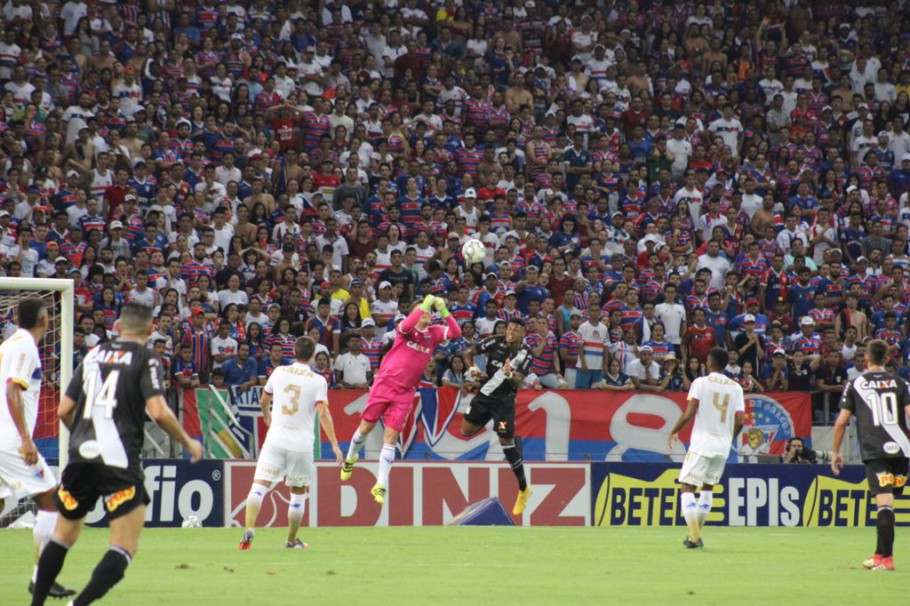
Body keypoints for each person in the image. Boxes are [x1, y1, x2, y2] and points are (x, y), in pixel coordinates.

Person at [30, 303, 204, 606]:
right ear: (150, 330)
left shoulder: (94, 355)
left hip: (80, 458)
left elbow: (63, 410)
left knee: (62, 536)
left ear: (118, 328)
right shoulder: (147, 358)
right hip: (118, 461)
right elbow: (159, 412)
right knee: (124, 545)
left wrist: (83, 438)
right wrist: (189, 442)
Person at [340, 295, 461, 505]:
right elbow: (406, 324)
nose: (426, 313)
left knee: (392, 436)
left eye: (428, 311)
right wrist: (423, 305)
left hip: (405, 392)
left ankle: (380, 484)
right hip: (384, 384)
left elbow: (456, 332)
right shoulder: (405, 330)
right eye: (422, 311)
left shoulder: (432, 334)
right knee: (365, 429)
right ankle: (350, 458)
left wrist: (443, 311)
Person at [0, 297, 76, 599]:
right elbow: (12, 388)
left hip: (2, 437)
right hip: (11, 443)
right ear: (45, 320)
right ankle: (41, 578)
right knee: (50, 499)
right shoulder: (25, 346)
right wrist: (26, 439)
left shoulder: (8, 344)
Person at [238, 337, 343, 550]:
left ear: (293, 351)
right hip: (302, 445)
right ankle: (290, 540)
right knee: (298, 493)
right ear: (313, 355)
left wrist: (267, 416)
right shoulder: (318, 380)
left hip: (275, 439)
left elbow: (263, 400)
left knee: (259, 486)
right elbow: (323, 412)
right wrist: (334, 444)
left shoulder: (279, 372)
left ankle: (249, 529)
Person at [832, 339, 910, 572]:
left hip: (876, 451)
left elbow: (841, 422)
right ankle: (879, 554)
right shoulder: (901, 383)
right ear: (887, 359)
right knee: (888, 502)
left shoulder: (856, 384)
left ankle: (886, 559)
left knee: (884, 503)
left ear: (866, 358)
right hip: (902, 451)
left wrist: (836, 452)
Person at [668, 348, 745, 549]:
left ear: (710, 363)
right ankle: (695, 535)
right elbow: (740, 420)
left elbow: (689, 414)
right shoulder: (736, 387)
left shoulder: (700, 383)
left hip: (702, 443)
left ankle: (694, 537)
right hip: (723, 445)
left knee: (687, 486)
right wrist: (730, 437)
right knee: (708, 487)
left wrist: (674, 430)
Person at [462, 317, 535, 515]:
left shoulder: (526, 354)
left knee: (506, 442)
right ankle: (493, 422)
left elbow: (519, 383)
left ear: (523, 333)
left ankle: (523, 488)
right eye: (509, 328)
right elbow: (468, 352)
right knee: (465, 430)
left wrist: (510, 374)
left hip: (504, 401)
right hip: (485, 395)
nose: (510, 332)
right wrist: (472, 368)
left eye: (514, 330)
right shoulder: (496, 340)